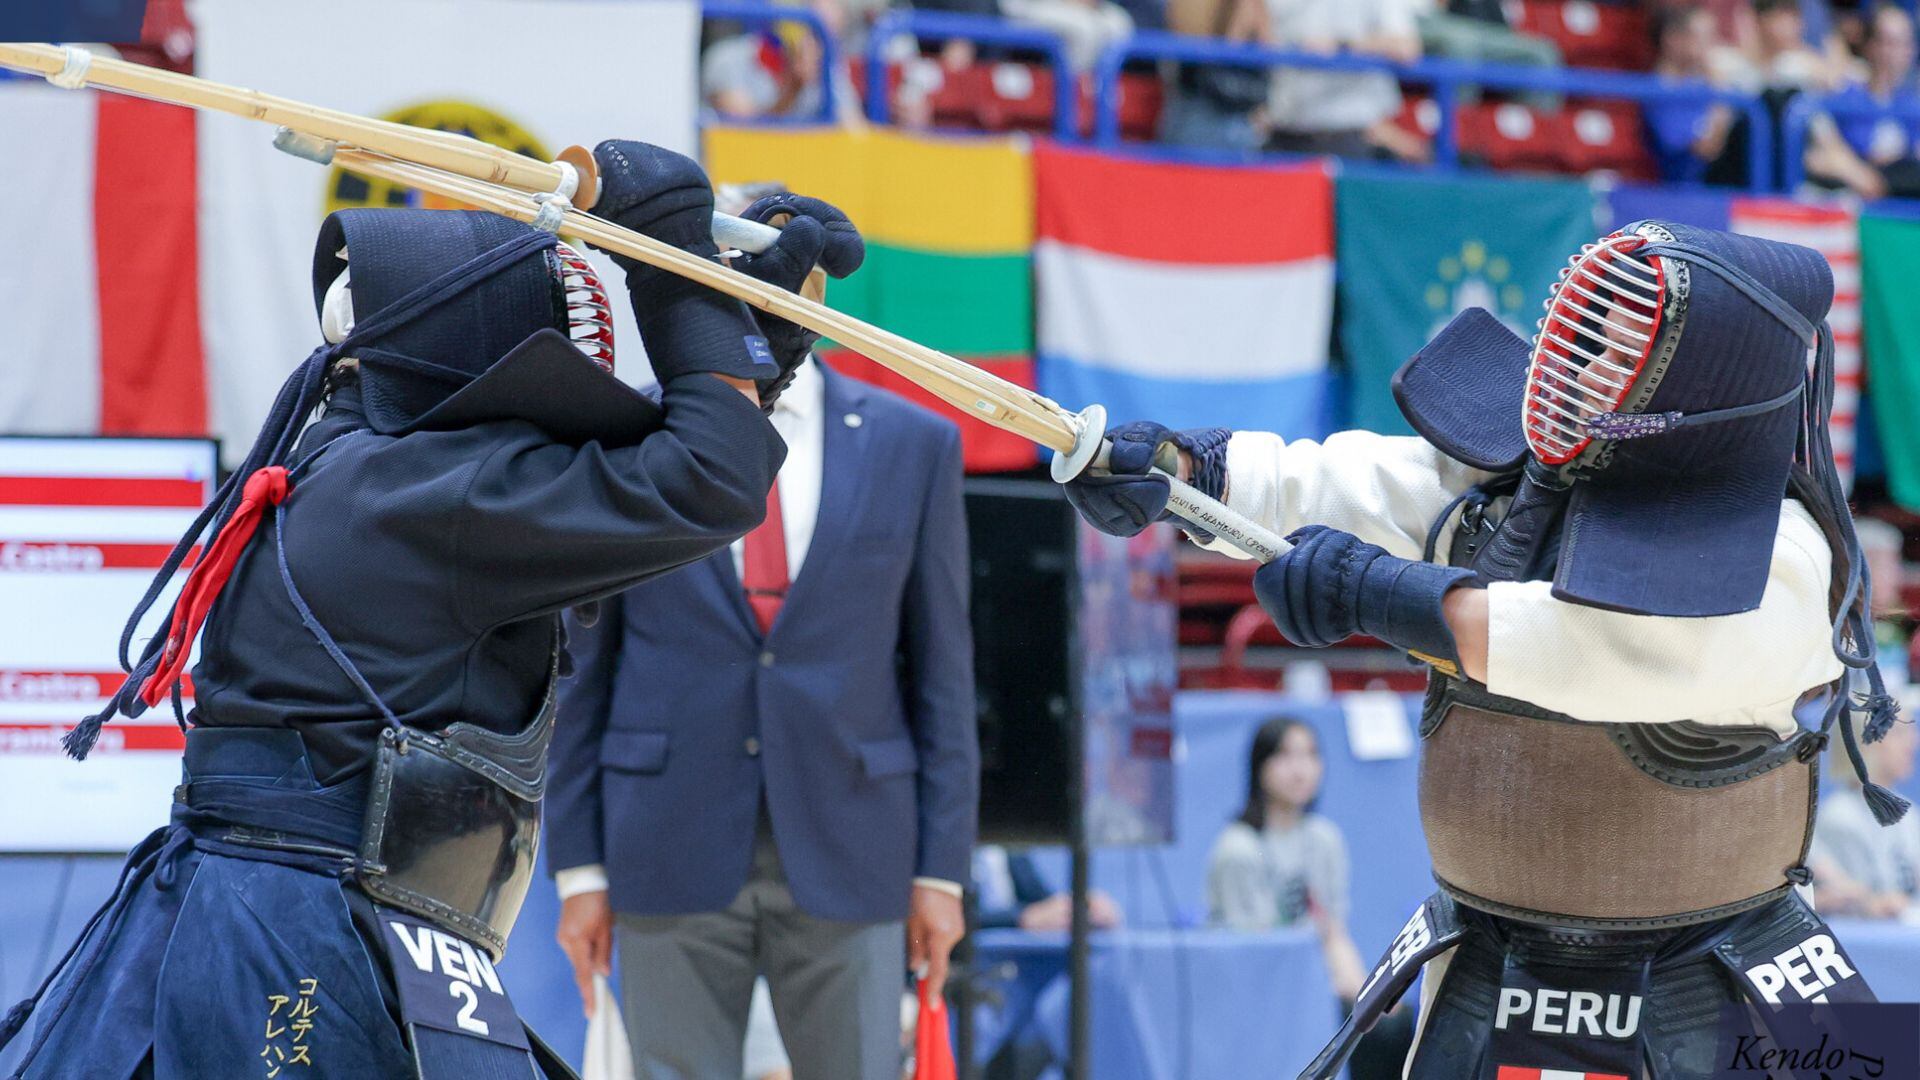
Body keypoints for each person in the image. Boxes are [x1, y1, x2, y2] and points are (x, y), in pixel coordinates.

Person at [0, 141, 831, 1079]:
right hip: (309, 940)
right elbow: (704, 476)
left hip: (284, 917)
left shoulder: (360, 466)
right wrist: (675, 271)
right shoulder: (432, 494)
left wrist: (746, 341)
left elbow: (639, 482)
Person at [1064, 220, 1902, 1078]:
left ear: (1708, 380)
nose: (1589, 371)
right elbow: (1363, 484)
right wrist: (1188, 472)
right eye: (1593, 343)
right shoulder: (1519, 485)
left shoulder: (1789, 556)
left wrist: (1383, 594)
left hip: (1718, 969)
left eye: (1628, 355)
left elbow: (1601, 651)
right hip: (1488, 955)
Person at [546, 189, 977, 1080]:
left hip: (854, 843)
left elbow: (942, 672)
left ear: (818, 287)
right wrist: (578, 868)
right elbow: (584, 668)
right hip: (665, 838)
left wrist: (942, 872)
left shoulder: (914, 445)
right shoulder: (629, 432)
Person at [1206, 717, 1413, 1080]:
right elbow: (1255, 956)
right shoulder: (1238, 848)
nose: (1299, 769)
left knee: (1392, 1024)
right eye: (1285, 756)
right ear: (1259, 767)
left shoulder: (1323, 839)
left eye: (1310, 755)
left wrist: (1369, 996)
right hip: (1260, 993)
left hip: (1313, 985)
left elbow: (1333, 934)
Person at [1263, 0, 1428, 162]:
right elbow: (1264, 40)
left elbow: (1406, 47)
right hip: (1284, 129)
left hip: (1346, 135)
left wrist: (1342, 45)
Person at [1805, 4, 1920, 198]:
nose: (1893, 53)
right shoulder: (1840, 98)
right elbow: (1816, 158)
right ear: (1869, 45)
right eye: (1887, 41)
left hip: (1903, 200)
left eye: (1903, 43)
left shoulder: (1913, 106)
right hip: (1852, 199)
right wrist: (1855, 171)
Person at [1812, 715, 1920, 918]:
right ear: (1865, 743)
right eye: (1899, 733)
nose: (1912, 743)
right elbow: (1860, 902)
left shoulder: (1909, 813)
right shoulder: (1840, 817)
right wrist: (1875, 902)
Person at [1644, 4, 1747, 185]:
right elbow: (1706, 149)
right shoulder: (1656, 91)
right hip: (1685, 187)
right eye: (1700, 36)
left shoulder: (1708, 82)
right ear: (1673, 39)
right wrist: (1720, 98)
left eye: (1711, 37)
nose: (1709, 45)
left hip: (1727, 182)